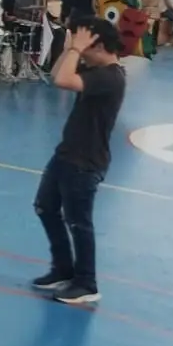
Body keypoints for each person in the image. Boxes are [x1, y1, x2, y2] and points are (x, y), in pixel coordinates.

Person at [33, 18, 126, 306]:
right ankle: (63, 269)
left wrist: (75, 49)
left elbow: (64, 80)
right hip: (67, 153)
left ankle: (87, 282)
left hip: (85, 161)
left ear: (98, 47)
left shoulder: (110, 76)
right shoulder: (96, 69)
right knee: (46, 207)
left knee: (79, 222)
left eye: (86, 48)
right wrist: (71, 47)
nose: (81, 53)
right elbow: (55, 75)